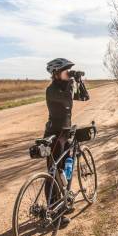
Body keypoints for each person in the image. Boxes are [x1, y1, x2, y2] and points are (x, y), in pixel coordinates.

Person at [44, 58, 76, 225]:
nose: (69, 73)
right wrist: (71, 85)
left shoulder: (64, 86)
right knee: (53, 174)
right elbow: (68, 100)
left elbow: (84, 97)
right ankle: (52, 211)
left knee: (65, 169)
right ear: (56, 74)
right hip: (55, 135)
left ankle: (63, 203)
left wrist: (79, 81)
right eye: (66, 71)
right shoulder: (51, 90)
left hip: (65, 134)